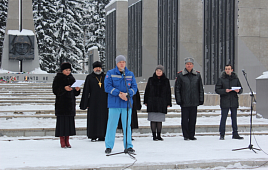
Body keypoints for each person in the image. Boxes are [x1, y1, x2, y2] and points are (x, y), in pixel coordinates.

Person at [104, 55, 137, 154]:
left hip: (126, 104)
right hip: (114, 104)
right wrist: (119, 94)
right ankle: (109, 146)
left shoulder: (130, 74)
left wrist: (127, 94)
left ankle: (128, 146)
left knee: (127, 125)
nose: (122, 64)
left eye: (123, 62)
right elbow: (107, 87)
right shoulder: (110, 73)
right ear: (116, 63)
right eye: (120, 62)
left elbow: (134, 88)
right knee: (111, 126)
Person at [175, 57, 204, 141]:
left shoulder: (197, 75)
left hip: (194, 101)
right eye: (187, 64)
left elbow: (200, 88)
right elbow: (177, 88)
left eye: (190, 64)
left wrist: (201, 99)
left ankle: (192, 135)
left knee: (193, 119)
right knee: (184, 119)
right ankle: (186, 135)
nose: (189, 65)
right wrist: (179, 99)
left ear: (193, 65)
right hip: (184, 101)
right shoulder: (180, 75)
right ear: (185, 65)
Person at [52, 62, 80, 148]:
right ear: (62, 70)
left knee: (69, 124)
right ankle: (62, 140)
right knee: (61, 123)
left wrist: (77, 90)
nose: (68, 72)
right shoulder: (58, 78)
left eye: (69, 70)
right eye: (66, 70)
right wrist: (64, 88)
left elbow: (75, 93)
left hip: (70, 105)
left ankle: (67, 140)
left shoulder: (72, 78)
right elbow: (55, 90)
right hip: (61, 105)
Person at [80, 61, 108, 142]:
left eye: (99, 67)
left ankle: (102, 135)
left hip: (104, 101)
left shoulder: (105, 77)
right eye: (96, 67)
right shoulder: (89, 77)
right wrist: (85, 103)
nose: (98, 69)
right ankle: (93, 135)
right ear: (93, 68)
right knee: (93, 118)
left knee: (103, 118)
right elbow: (86, 91)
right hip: (93, 102)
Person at [215, 64, 244, 140]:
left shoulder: (236, 79)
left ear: (232, 70)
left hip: (233, 100)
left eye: (229, 69)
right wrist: (225, 90)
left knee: (234, 118)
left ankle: (235, 133)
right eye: (226, 69)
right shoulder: (221, 79)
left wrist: (239, 90)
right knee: (223, 118)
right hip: (225, 101)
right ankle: (222, 134)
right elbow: (217, 89)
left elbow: (241, 89)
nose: (227, 70)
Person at [144, 65, 172, 141]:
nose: (158, 72)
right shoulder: (151, 79)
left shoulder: (166, 80)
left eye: (160, 71)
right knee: (153, 119)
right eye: (157, 71)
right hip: (152, 102)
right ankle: (154, 135)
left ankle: (159, 135)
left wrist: (169, 102)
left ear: (162, 72)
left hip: (162, 102)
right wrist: (146, 101)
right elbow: (147, 91)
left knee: (159, 120)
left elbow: (168, 92)